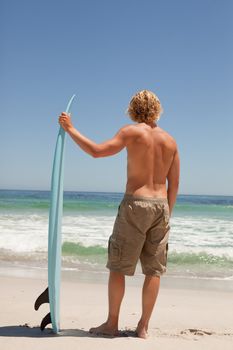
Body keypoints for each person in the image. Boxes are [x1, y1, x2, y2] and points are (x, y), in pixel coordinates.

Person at [59, 89, 180, 339]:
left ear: (133, 109)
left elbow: (96, 151)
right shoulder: (170, 141)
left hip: (136, 203)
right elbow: (174, 184)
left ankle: (112, 324)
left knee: (118, 266)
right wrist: (167, 214)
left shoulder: (130, 132)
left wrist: (70, 129)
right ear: (158, 109)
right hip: (161, 207)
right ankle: (143, 327)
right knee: (153, 271)